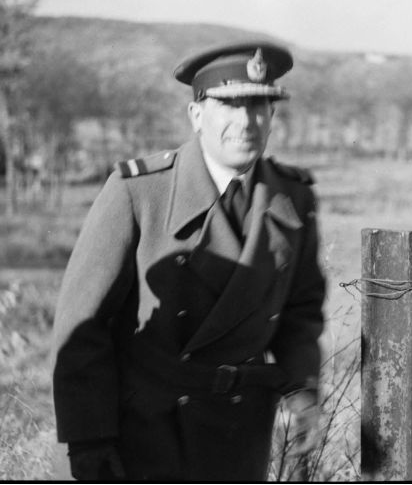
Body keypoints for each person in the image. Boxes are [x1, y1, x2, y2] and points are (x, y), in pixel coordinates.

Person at [52, 41, 326, 481]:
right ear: (197, 115)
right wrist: (88, 439)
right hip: (146, 433)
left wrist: (301, 390)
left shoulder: (292, 195)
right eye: (230, 104)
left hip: (240, 437)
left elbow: (301, 310)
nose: (246, 122)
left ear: (273, 116)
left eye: (260, 106)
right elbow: (83, 327)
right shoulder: (139, 192)